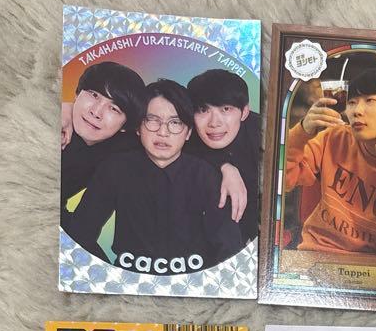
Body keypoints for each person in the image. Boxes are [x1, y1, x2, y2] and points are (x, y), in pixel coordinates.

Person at [64, 78, 244, 274]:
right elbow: (80, 233)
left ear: (188, 132)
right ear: (138, 128)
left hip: (193, 280)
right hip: (129, 279)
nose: (163, 132)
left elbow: (230, 248)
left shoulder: (205, 174)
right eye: (152, 120)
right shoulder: (115, 168)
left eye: (175, 123)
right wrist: (110, 275)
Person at [283, 69, 376, 259]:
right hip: (318, 254)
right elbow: (282, 180)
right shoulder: (334, 137)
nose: (356, 111)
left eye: (370, 101)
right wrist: (302, 132)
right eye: (352, 102)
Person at [60, 61, 145, 231]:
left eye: (114, 108)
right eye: (94, 95)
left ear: (125, 126)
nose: (96, 112)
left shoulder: (123, 145)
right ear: (77, 94)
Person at [185, 68, 261, 245]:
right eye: (203, 110)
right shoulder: (183, 134)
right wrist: (225, 166)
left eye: (226, 109)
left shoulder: (263, 133)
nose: (214, 123)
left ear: (244, 112)